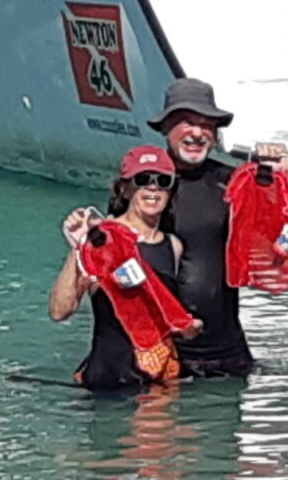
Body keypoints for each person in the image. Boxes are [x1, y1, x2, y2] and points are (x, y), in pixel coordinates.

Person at [49, 145, 198, 391]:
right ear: (125, 188)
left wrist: (189, 328)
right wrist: (77, 250)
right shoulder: (102, 240)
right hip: (108, 379)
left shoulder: (173, 246)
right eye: (143, 179)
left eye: (163, 180)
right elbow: (59, 312)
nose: (153, 187)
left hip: (158, 380)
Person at [151, 78, 255, 377]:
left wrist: (276, 180)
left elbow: (287, 236)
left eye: (206, 124)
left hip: (229, 353)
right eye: (186, 122)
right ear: (165, 127)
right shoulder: (144, 184)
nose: (197, 133)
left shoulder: (234, 182)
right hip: (165, 357)